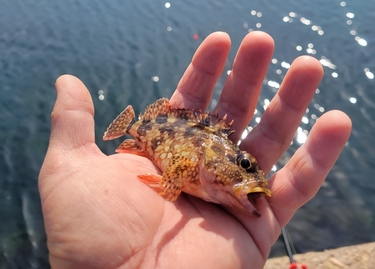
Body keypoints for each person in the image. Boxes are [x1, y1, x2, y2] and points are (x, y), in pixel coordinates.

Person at [38, 31, 352, 269]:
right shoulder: (200, 160)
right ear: (219, 159)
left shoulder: (215, 174)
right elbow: (177, 171)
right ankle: (134, 128)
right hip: (150, 132)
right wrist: (169, 187)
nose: (251, 177)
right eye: (244, 165)